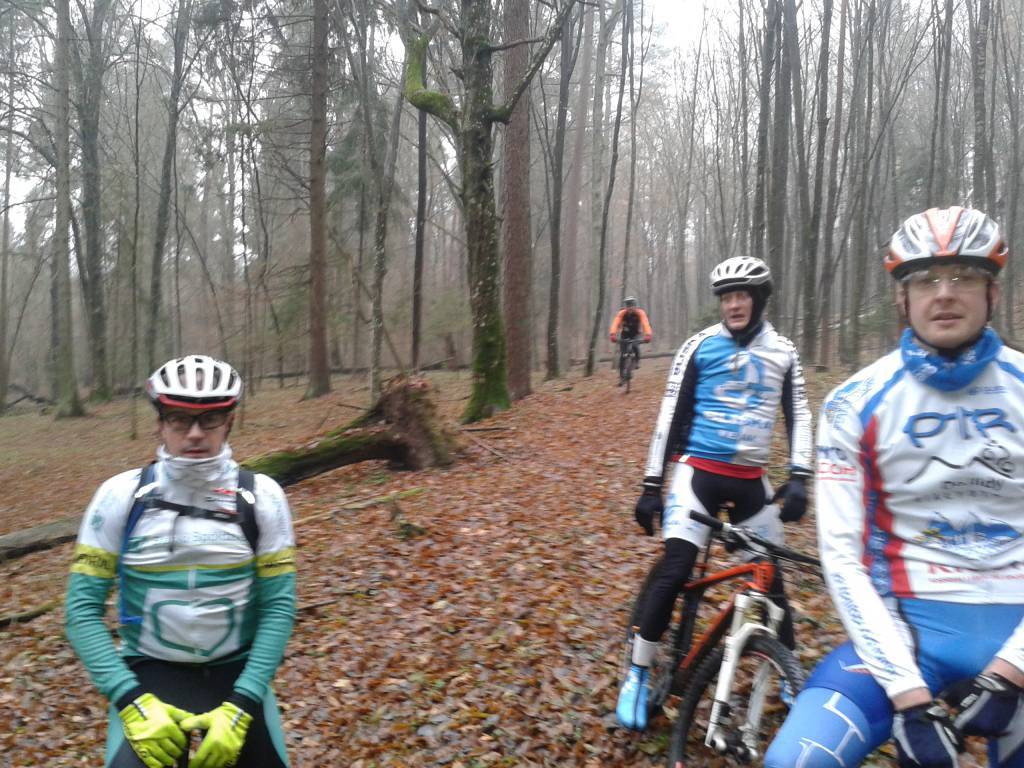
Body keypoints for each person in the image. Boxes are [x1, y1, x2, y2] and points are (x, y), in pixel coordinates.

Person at [765, 206, 1024, 768]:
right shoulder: (854, 402)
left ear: (993, 293)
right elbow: (842, 557)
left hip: (1018, 630)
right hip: (904, 633)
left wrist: (1012, 672)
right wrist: (909, 698)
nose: (945, 294)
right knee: (793, 760)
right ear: (903, 298)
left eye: (964, 277)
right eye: (926, 280)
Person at [65, 355, 296, 768]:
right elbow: (81, 611)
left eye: (210, 419)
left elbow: (278, 607)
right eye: (179, 419)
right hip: (148, 673)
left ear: (229, 422)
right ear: (159, 423)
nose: (194, 433)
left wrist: (244, 703)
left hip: (238, 673)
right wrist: (130, 701)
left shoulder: (263, 497)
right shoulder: (118, 496)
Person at [616, 255, 814, 730]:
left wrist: (800, 477)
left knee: (772, 579)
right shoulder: (699, 346)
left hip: (750, 480)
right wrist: (651, 485)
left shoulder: (784, 351)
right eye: (727, 297)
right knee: (676, 567)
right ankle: (638, 673)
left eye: (742, 295)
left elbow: (800, 414)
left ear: (759, 300)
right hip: (698, 474)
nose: (733, 305)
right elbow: (670, 415)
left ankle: (791, 678)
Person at [609, 296, 653, 385]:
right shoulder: (622, 313)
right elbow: (615, 323)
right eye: (628, 305)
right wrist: (612, 334)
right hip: (625, 334)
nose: (630, 308)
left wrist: (648, 335)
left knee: (635, 345)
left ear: (635, 306)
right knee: (622, 355)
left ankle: (637, 360)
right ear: (626, 306)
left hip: (635, 334)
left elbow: (645, 323)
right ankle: (622, 377)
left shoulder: (640, 313)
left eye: (632, 305)